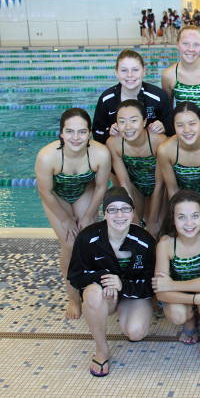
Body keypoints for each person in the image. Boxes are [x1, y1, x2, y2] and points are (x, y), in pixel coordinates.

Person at [67, 187, 156, 377]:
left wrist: (122, 285)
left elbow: (152, 285)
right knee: (93, 294)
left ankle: (126, 314)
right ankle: (101, 350)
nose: (119, 215)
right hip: (106, 296)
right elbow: (75, 276)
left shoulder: (145, 242)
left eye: (125, 209)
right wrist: (104, 279)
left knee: (136, 333)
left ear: (132, 213)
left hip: (132, 294)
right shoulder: (88, 238)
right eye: (113, 210)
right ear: (105, 214)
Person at [35, 108, 111, 319]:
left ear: (89, 133)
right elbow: (45, 192)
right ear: (61, 133)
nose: (76, 137)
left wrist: (88, 215)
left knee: (88, 242)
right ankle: (73, 297)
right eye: (70, 131)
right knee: (69, 244)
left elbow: (101, 187)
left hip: (84, 193)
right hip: (56, 196)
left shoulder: (100, 153)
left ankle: (91, 287)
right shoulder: (47, 156)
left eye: (82, 132)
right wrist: (65, 219)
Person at [152, 190, 200, 362]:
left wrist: (171, 285)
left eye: (195, 216)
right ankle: (190, 319)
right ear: (173, 219)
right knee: (177, 314)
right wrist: (195, 299)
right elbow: (161, 293)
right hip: (181, 296)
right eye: (182, 217)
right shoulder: (166, 244)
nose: (189, 223)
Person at [107, 99, 167, 237]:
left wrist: (153, 220)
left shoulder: (159, 141)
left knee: (157, 228)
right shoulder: (114, 143)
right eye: (122, 121)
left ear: (144, 121)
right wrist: (131, 213)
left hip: (160, 189)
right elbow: (125, 182)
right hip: (136, 188)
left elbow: (160, 184)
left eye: (133, 120)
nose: (128, 127)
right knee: (134, 226)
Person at [157, 102, 200, 212]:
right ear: (174, 127)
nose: (187, 130)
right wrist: (180, 212)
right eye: (180, 125)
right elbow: (172, 189)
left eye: (192, 124)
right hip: (179, 195)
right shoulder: (165, 150)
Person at [93, 49, 171, 144]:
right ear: (116, 73)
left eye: (135, 70)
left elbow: (172, 128)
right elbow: (96, 132)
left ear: (144, 71)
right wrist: (108, 132)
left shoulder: (158, 96)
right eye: (124, 70)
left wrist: (163, 127)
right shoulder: (107, 99)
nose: (130, 75)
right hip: (118, 149)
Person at [161, 25, 200, 133]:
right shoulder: (168, 75)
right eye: (185, 43)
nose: (191, 49)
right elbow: (168, 111)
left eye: (196, 44)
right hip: (183, 134)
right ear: (177, 44)